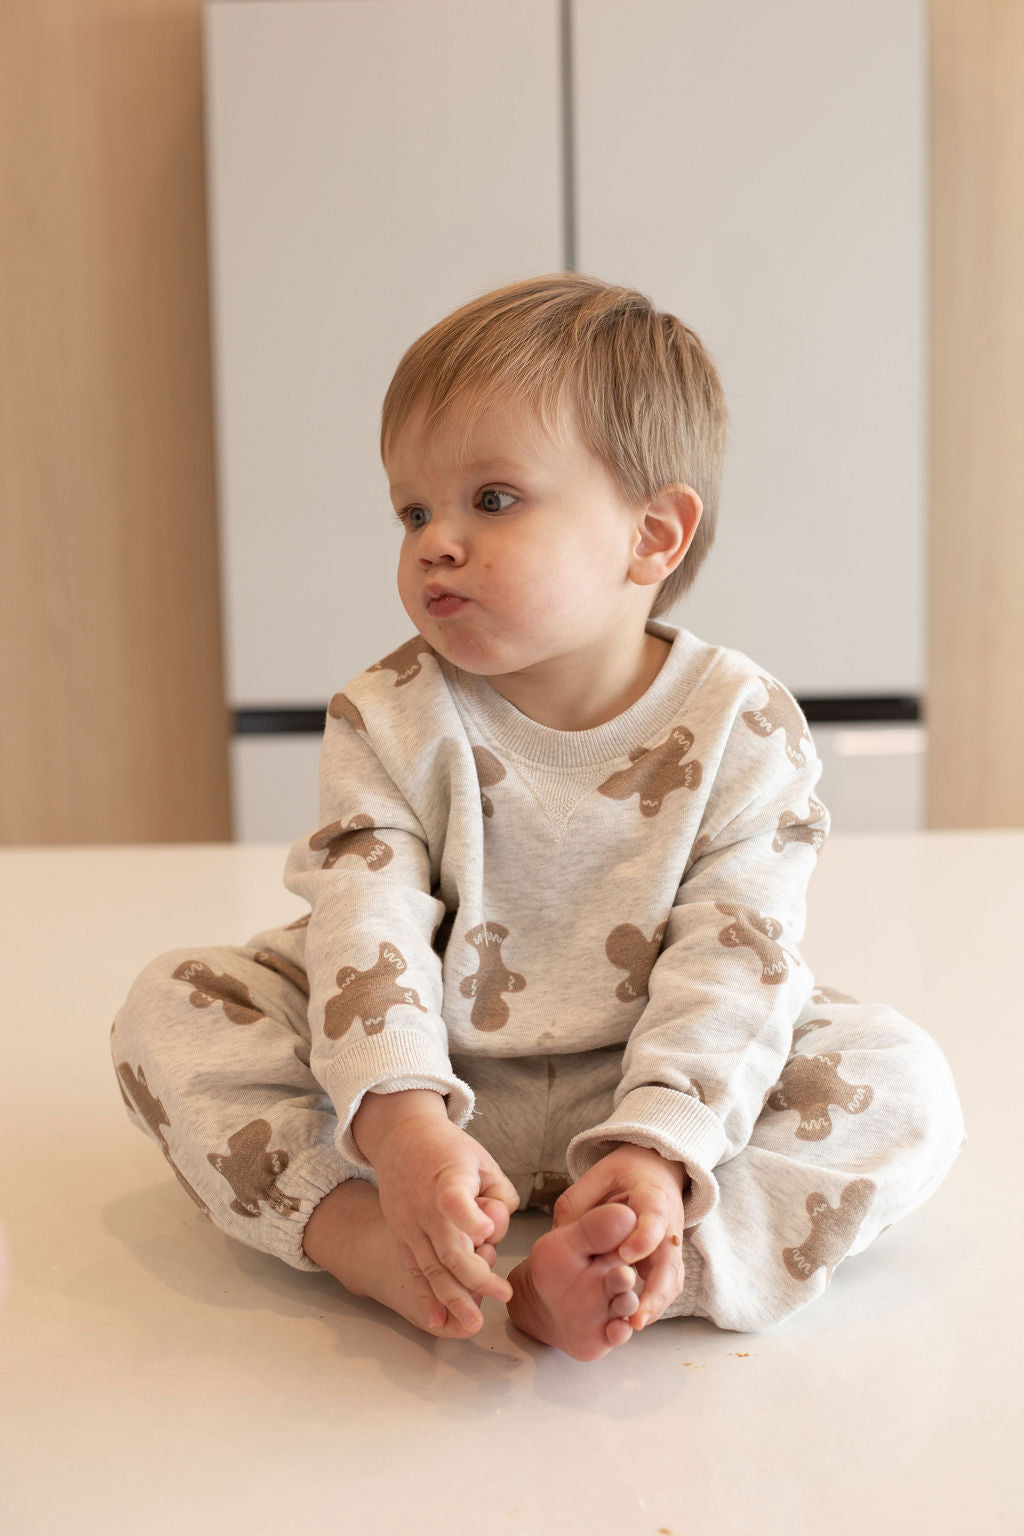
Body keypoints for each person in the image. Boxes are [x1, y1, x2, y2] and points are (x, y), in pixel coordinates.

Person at [112, 274, 964, 1362]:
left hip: (641, 1068)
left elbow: (735, 956)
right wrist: (400, 1125)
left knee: (900, 1079)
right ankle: (364, 1235)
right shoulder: (388, 714)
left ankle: (639, 1267)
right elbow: (365, 924)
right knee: (174, 1004)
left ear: (651, 535)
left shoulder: (743, 724)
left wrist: (660, 1149)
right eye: (413, 510)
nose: (435, 541)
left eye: (493, 499)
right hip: (433, 1071)